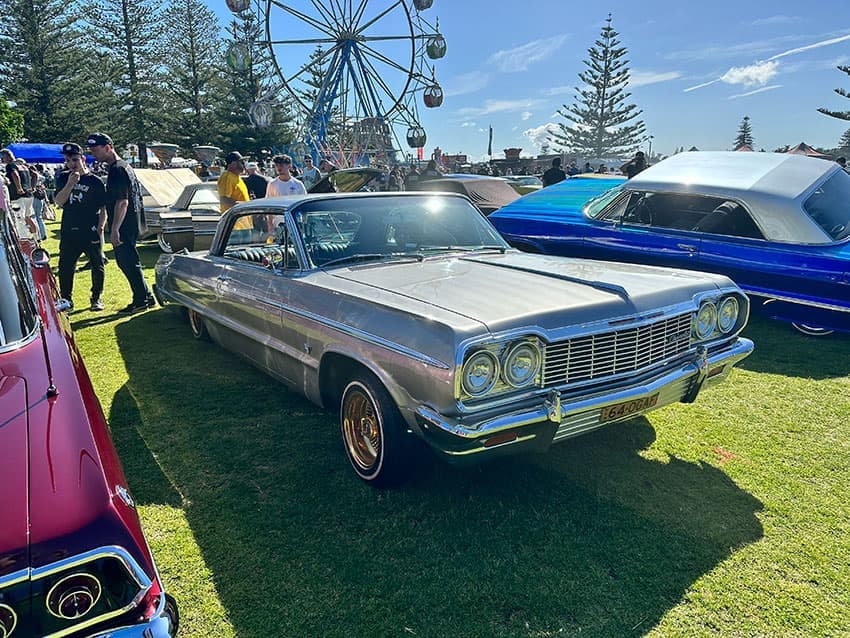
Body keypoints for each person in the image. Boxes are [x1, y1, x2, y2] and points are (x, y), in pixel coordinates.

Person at [87, 132, 156, 313]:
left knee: (127, 262)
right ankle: (145, 296)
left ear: (108, 148)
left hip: (125, 223)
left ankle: (141, 299)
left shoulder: (117, 169)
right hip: (130, 222)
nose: (93, 154)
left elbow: (122, 202)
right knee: (129, 261)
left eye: (96, 150)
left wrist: (115, 229)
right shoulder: (125, 166)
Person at [54, 143, 107, 311]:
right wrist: (70, 184)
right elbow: (58, 201)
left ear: (83, 159)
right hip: (70, 229)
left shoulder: (95, 181)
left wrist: (101, 226)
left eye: (75, 159)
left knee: (97, 265)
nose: (72, 163)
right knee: (66, 266)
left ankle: (96, 298)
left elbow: (104, 207)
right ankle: (66, 299)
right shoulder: (63, 177)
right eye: (68, 160)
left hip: (90, 229)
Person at [1, 148, 37, 237]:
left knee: (19, 220)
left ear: (6, 157)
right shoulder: (23, 165)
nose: (2, 160)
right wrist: (32, 187)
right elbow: (35, 175)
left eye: (2, 158)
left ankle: (24, 240)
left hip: (18, 197)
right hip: (29, 195)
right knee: (28, 217)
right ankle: (36, 237)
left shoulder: (10, 165)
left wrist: (19, 188)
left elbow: (15, 174)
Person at [217, 151, 251, 242]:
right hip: (235, 226)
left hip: (243, 224)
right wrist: (245, 205)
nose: (243, 165)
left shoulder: (237, 177)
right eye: (241, 162)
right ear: (233, 164)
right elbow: (224, 200)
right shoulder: (226, 177)